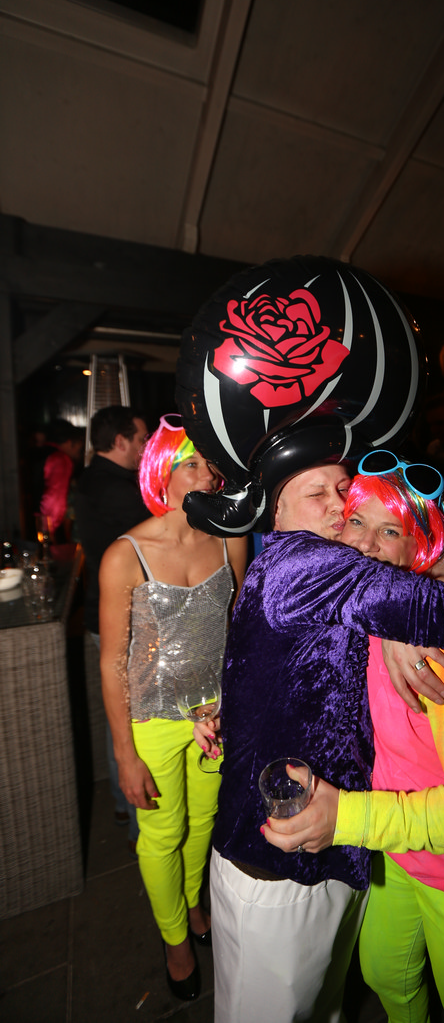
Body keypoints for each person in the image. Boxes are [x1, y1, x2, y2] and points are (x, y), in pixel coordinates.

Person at [264, 455, 444, 1023]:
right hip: (401, 859)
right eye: (355, 521)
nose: (364, 544)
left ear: (421, 547)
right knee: (386, 977)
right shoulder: (364, 616)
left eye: (389, 530)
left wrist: (343, 817)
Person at [202, 457, 444, 1023]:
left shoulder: (332, 569)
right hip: (280, 863)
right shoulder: (307, 564)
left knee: (322, 1007)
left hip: (329, 842)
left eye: (342, 490)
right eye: (316, 495)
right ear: (274, 511)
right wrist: (421, 606)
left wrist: (407, 611)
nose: (338, 506)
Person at [98, 415, 247, 1001]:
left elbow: (238, 630)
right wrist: (124, 754)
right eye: (190, 464)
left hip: (214, 717)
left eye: (209, 463)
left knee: (203, 824)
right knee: (163, 835)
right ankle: (174, 940)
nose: (206, 474)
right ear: (161, 474)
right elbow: (112, 662)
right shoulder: (125, 555)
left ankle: (190, 904)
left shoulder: (231, 537)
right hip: (153, 720)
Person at [75, 405, 150, 843]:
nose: (145, 449)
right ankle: (136, 810)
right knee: (128, 715)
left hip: (101, 611)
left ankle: (123, 805)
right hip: (123, 617)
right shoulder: (119, 489)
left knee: (116, 713)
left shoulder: (90, 478)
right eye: (140, 440)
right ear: (120, 441)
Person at [34, 418, 85, 542]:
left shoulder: (41, 452)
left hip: (37, 521)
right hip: (49, 527)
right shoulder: (60, 459)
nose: (81, 451)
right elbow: (54, 499)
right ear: (69, 442)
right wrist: (49, 533)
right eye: (80, 445)